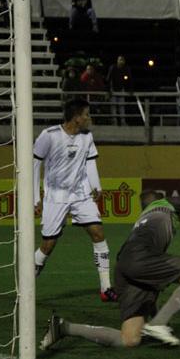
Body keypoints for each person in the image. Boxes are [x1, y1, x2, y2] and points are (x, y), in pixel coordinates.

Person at [39, 190, 180, 351]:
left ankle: (64, 328)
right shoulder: (165, 204)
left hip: (125, 266)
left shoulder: (144, 218)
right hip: (141, 258)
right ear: (160, 199)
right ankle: (159, 323)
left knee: (129, 339)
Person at [32, 99, 118, 302]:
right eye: (86, 114)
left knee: (98, 234)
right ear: (77, 118)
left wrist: (96, 186)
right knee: (48, 245)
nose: (89, 118)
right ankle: (26, 285)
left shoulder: (87, 137)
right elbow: (34, 166)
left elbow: (90, 162)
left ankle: (106, 289)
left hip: (80, 195)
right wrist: (35, 198)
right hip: (56, 197)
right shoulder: (49, 135)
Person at [106, 56, 132, 122]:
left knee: (122, 105)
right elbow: (108, 79)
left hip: (121, 89)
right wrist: (108, 90)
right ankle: (114, 121)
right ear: (117, 61)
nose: (121, 61)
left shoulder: (126, 68)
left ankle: (123, 121)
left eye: (122, 60)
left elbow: (129, 80)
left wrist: (129, 89)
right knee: (113, 106)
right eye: (120, 60)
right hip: (113, 89)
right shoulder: (113, 68)